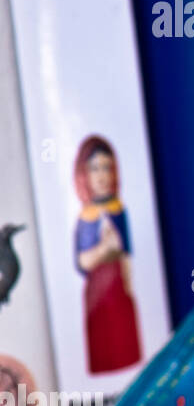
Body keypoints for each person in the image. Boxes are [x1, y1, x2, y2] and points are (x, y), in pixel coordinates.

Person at [73, 136, 142, 374]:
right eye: (95, 169)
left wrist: (129, 284)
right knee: (105, 345)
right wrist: (103, 249)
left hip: (120, 287)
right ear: (84, 175)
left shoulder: (119, 210)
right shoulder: (87, 217)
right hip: (98, 294)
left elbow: (127, 252)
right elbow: (82, 262)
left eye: (107, 167)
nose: (102, 175)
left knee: (126, 345)